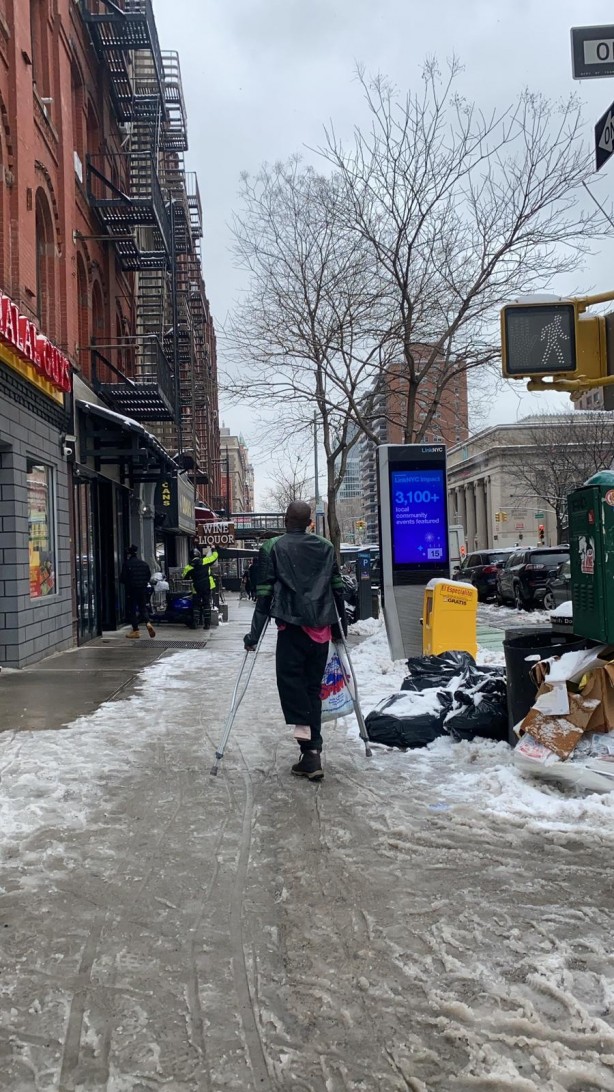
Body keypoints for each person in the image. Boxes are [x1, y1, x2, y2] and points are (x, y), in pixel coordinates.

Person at [244, 500, 346, 782]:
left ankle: (309, 748)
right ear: (309, 521)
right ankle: (312, 750)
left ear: (286, 519)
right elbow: (337, 589)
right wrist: (340, 630)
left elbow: (264, 595)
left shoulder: (272, 547)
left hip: (291, 629)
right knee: (312, 689)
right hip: (321, 631)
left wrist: (253, 636)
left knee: (292, 687)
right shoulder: (326, 547)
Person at [120, 545, 155, 639]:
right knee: (142, 607)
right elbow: (148, 576)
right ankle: (148, 623)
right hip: (142, 589)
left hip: (131, 590)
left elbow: (123, 578)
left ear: (128, 554)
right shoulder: (144, 564)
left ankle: (135, 630)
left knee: (132, 609)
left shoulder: (127, 564)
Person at [182, 546, 218, 629]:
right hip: (206, 586)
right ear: (199, 554)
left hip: (196, 588)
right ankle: (207, 624)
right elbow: (214, 556)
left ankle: (195, 623)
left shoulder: (188, 567)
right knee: (206, 604)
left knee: (196, 605)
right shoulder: (205, 561)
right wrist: (213, 549)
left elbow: (184, 577)